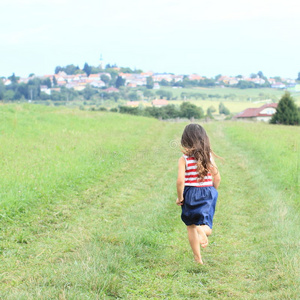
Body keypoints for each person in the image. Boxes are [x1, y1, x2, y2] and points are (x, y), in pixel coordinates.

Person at [176, 123, 221, 264]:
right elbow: (217, 177)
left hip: (190, 192)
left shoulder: (184, 159)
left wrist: (180, 197)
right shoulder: (208, 157)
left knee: (191, 226)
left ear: (186, 140)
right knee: (206, 225)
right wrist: (213, 190)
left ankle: (198, 258)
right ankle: (202, 230)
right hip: (207, 191)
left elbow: (180, 181)